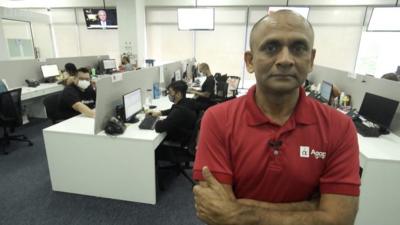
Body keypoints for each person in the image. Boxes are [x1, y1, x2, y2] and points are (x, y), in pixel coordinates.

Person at [192, 10, 360, 225]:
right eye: (271, 48)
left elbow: (340, 220)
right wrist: (313, 208)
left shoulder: (340, 127)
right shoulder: (217, 119)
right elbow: (217, 211)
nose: (285, 60)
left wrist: (239, 212)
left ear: (311, 60)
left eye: (298, 48)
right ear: (250, 61)